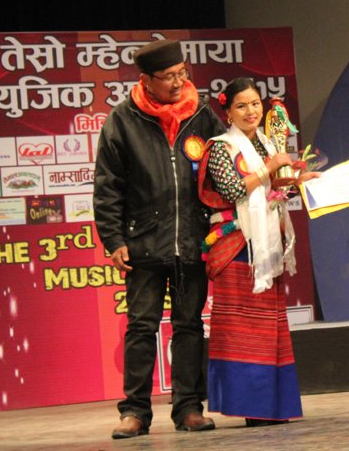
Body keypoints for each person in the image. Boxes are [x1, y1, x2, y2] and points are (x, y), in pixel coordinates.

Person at [94, 39, 225, 439]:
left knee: (189, 326)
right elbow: (107, 186)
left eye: (182, 73)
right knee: (140, 327)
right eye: (169, 77)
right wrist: (113, 238)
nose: (178, 82)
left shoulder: (202, 114)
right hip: (143, 242)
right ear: (146, 80)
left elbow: (226, 168)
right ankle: (134, 411)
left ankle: (189, 408)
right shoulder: (123, 119)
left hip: (192, 239)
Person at [197, 77, 314, 425]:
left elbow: (270, 189)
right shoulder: (221, 147)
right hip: (236, 247)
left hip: (265, 244)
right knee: (244, 334)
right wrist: (270, 168)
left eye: (255, 104)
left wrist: (297, 182)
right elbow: (234, 189)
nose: (251, 111)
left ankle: (273, 407)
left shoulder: (264, 142)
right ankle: (253, 408)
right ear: (228, 113)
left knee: (270, 329)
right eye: (241, 106)